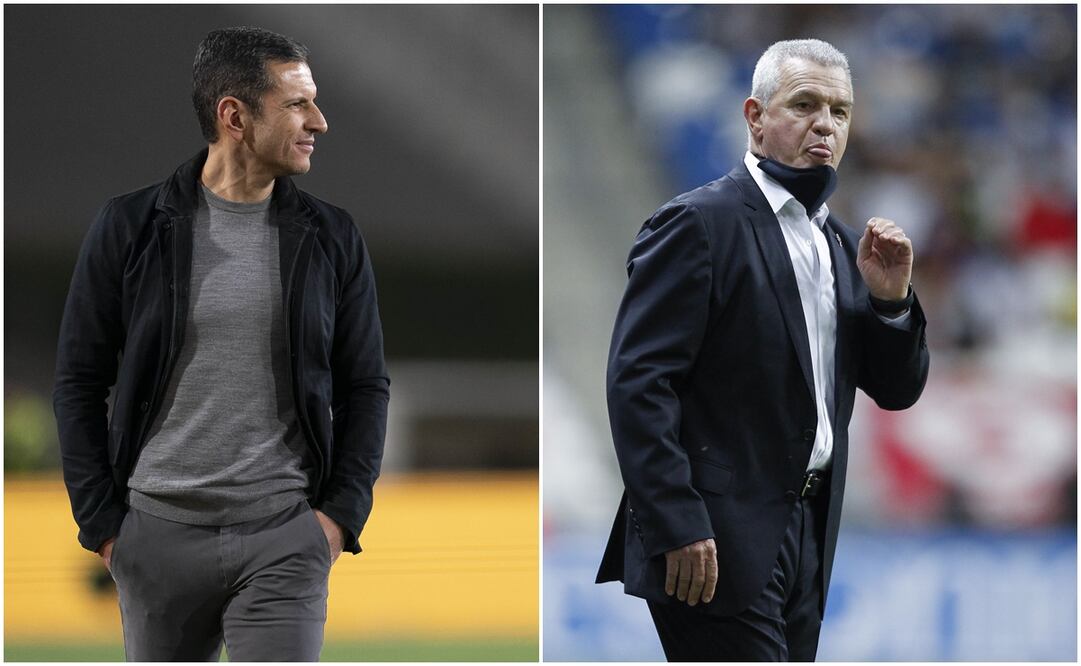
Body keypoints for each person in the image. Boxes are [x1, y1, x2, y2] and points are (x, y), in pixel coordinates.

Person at [53, 26, 389, 661]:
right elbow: (77, 381)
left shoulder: (333, 237)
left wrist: (337, 520)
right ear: (233, 115)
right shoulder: (129, 227)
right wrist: (104, 527)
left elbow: (365, 385)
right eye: (296, 103)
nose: (318, 120)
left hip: (284, 538)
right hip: (154, 538)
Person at [597, 39, 929, 661]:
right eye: (804, 104)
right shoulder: (697, 224)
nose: (824, 124)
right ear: (754, 116)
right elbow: (638, 383)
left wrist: (891, 302)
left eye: (840, 111)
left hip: (806, 531)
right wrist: (677, 520)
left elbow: (898, 389)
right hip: (710, 537)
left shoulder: (843, 246)